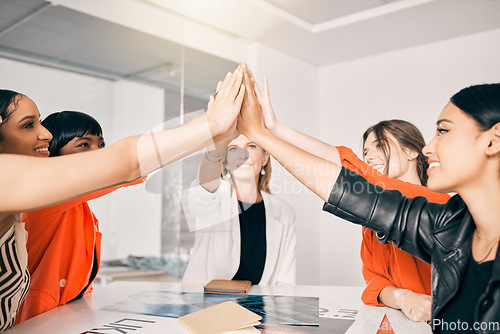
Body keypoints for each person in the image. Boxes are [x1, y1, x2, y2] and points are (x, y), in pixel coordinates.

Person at [237, 67, 500, 333]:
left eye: (443, 131)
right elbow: (350, 189)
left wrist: (268, 133)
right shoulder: (446, 224)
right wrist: (266, 133)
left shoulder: (432, 205)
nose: (427, 148)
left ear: (494, 140)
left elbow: (355, 180)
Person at [0, 65, 244, 330]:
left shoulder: (64, 207)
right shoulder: (38, 199)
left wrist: (216, 132)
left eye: (100, 146)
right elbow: (126, 162)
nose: (45, 133)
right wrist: (211, 125)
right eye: (28, 125)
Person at [15, 111, 141, 323]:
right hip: (36, 318)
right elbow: (123, 173)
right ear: (53, 152)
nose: (98, 152)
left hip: (68, 312)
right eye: (84, 144)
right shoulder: (44, 195)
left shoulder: (78, 204)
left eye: (101, 145)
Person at [182, 131, 296, 285]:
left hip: (259, 307)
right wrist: (219, 133)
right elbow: (204, 190)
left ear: (265, 157)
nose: (243, 154)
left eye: (251, 146)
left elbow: (286, 283)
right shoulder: (215, 197)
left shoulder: (284, 212)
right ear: (226, 161)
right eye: (233, 148)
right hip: (206, 305)